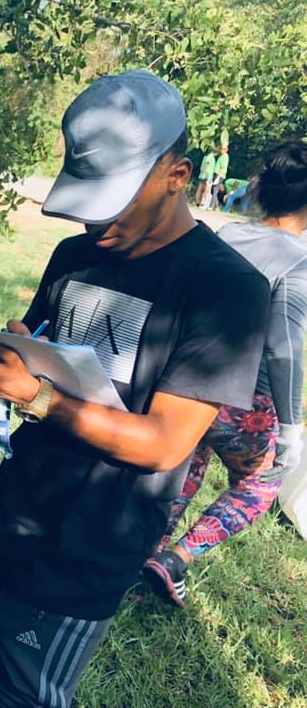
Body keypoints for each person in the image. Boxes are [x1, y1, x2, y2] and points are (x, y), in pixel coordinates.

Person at [0, 70, 269, 707]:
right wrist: (11, 356)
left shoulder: (227, 289)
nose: (95, 221)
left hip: (90, 547)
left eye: (114, 199)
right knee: (6, 672)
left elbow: (164, 443)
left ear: (177, 174)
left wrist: (33, 395)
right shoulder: (75, 255)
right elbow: (46, 348)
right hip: (16, 510)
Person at [144, 140, 307, 606]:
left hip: (190, 379)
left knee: (186, 462)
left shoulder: (226, 234)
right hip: (246, 402)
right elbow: (283, 347)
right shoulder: (300, 259)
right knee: (260, 484)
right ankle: (176, 559)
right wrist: (290, 429)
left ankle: (145, 548)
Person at [204, 143, 230, 209]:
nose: (221, 150)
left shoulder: (225, 156)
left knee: (215, 191)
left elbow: (223, 167)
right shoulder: (221, 156)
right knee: (215, 190)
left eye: (223, 149)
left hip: (220, 175)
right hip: (217, 174)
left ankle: (211, 206)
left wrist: (218, 177)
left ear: (226, 150)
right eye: (221, 149)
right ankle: (216, 206)